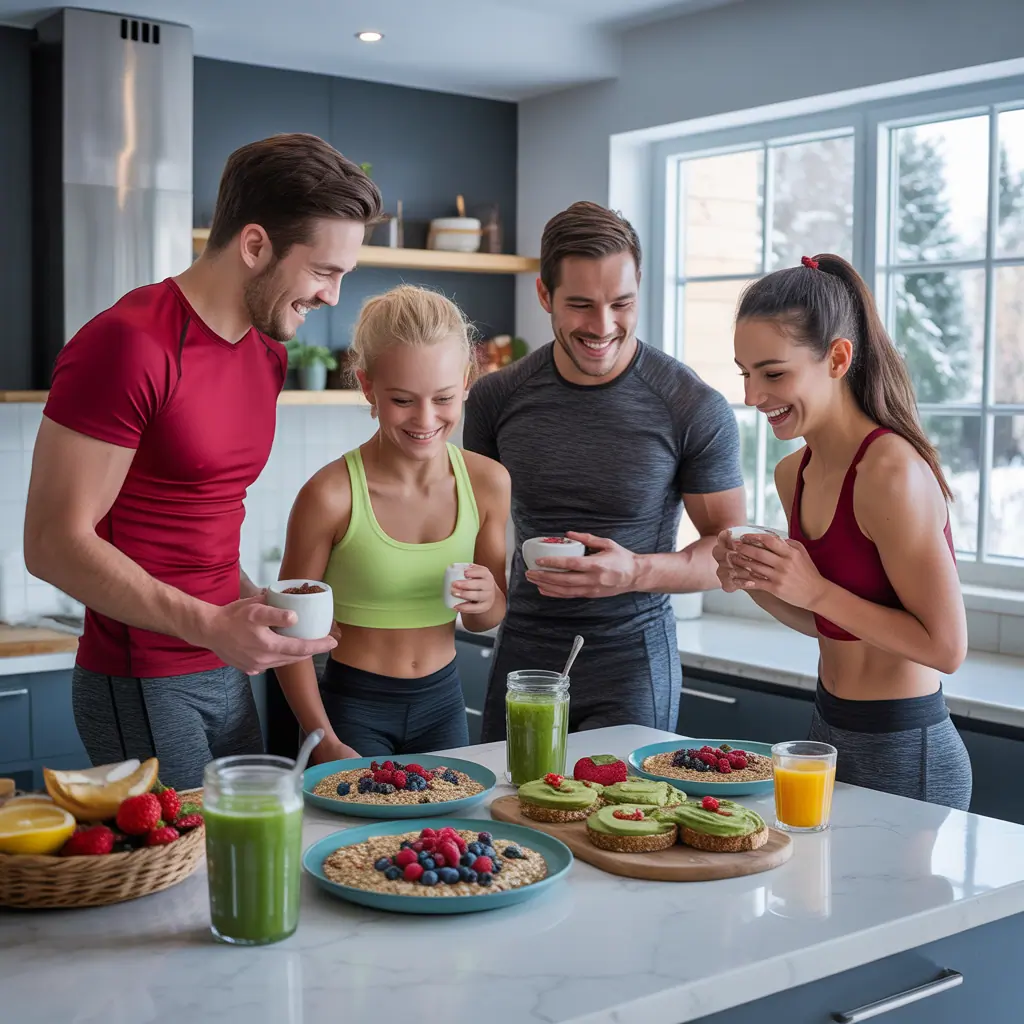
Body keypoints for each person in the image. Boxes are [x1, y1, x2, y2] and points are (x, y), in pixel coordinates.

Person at [24, 133, 383, 789]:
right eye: (324, 271)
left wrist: (258, 610)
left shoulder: (267, 352)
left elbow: (198, 524)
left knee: (240, 870)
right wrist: (213, 625)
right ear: (254, 246)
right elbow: (51, 543)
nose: (334, 297)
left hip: (225, 667)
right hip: (141, 676)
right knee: (182, 881)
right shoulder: (129, 343)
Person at [464, 201, 746, 740]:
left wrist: (634, 571)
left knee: (621, 821)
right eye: (580, 305)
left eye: (621, 303)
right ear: (544, 295)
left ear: (639, 286)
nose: (602, 326)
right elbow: (474, 532)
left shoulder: (690, 405)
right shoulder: (496, 399)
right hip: (525, 653)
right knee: (506, 816)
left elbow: (728, 556)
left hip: (633, 659)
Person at [716, 253, 972, 810]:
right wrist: (759, 581)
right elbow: (829, 625)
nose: (753, 396)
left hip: (908, 744)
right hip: (827, 727)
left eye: (774, 373)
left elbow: (947, 648)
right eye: (745, 373)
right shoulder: (795, 473)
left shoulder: (891, 472)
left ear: (837, 358)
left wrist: (813, 589)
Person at [274, 285, 510, 762]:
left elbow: (484, 618)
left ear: (467, 381)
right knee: (357, 840)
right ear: (367, 387)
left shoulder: (488, 483)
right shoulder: (330, 495)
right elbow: (289, 633)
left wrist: (487, 596)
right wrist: (321, 738)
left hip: (444, 704)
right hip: (352, 710)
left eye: (443, 397)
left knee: (450, 838)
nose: (425, 419)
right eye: (402, 400)